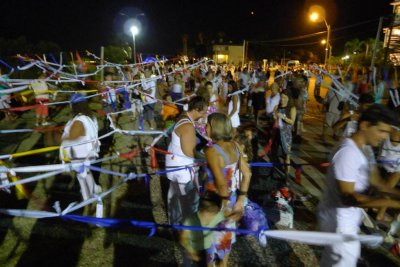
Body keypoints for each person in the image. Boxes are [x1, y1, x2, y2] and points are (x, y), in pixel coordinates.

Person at [318, 104, 400, 267]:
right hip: (339, 224)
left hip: (349, 222)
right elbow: (349, 198)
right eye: (381, 131)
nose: (385, 137)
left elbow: (378, 183)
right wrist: (393, 203)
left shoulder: (366, 150)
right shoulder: (347, 153)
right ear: (364, 125)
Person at [203, 112, 252, 266]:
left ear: (214, 127)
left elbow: (221, 183)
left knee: (210, 255)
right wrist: (240, 201)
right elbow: (248, 173)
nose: (205, 127)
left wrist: (224, 206)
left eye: (207, 124)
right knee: (224, 253)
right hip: (230, 202)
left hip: (214, 205)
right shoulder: (235, 146)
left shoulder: (212, 151)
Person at [165, 96, 208, 225]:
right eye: (203, 111)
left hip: (174, 165)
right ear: (196, 109)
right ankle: (186, 229)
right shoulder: (188, 126)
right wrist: (207, 158)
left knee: (175, 198)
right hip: (183, 170)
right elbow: (189, 152)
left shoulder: (183, 117)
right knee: (188, 202)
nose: (205, 114)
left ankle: (175, 224)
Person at [60, 93, 101, 202]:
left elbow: (72, 138)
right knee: (85, 171)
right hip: (88, 151)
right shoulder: (90, 116)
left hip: (80, 153)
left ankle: (86, 196)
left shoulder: (79, 121)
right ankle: (93, 188)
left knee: (81, 174)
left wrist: (61, 139)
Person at [180, 191, 227, 267]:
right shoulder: (190, 220)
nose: (206, 216)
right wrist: (191, 251)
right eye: (203, 212)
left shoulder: (219, 216)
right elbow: (183, 238)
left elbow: (228, 218)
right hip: (194, 250)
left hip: (209, 249)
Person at [376, 107, 400, 222]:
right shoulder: (398, 131)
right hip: (395, 164)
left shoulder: (388, 127)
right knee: (389, 189)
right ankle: (380, 214)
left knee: (380, 185)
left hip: (382, 160)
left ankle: (368, 207)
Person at [272, 92, 296, 177]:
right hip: (277, 133)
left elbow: (292, 122)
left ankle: (286, 175)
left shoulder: (292, 108)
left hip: (286, 135)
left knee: (287, 156)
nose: (282, 99)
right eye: (281, 97)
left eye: (285, 98)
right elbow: (274, 117)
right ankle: (273, 171)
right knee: (274, 153)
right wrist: (274, 116)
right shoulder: (277, 107)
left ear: (289, 98)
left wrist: (284, 117)